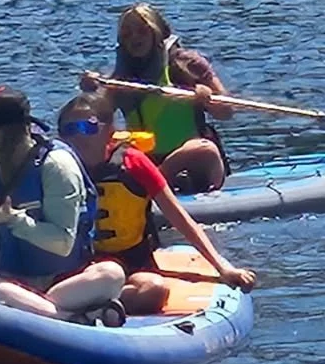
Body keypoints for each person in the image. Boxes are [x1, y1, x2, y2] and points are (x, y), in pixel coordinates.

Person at [55, 93, 257, 315]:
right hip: (83, 266)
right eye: (69, 130)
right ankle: (91, 307)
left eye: (87, 127)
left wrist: (223, 268)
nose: (78, 137)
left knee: (155, 290)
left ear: (109, 131)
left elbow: (179, 217)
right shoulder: (57, 168)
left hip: (133, 261)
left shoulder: (133, 163)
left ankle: (92, 309)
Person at [0, 87, 126, 322]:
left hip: (63, 284)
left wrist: (14, 219)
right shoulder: (0, 168)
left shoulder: (57, 166)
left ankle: (33, 311)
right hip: (16, 285)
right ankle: (65, 317)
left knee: (111, 274)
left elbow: (63, 242)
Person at [82, 3, 231, 194]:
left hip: (192, 163)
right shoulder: (120, 79)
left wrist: (206, 98)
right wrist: (92, 92)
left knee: (204, 149)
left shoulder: (186, 63)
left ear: (157, 32)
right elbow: (96, 121)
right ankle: (148, 182)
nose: (135, 38)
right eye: (127, 34)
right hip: (145, 161)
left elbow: (226, 112)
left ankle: (152, 182)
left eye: (142, 31)